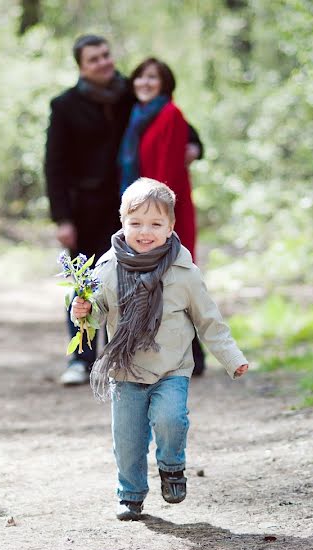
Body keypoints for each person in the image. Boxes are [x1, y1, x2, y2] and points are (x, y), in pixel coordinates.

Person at [70, 177, 248, 521]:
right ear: (122, 223)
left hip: (171, 368)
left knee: (171, 420)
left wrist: (232, 359)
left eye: (155, 223)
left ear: (171, 227)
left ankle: (171, 466)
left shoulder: (184, 272)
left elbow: (209, 320)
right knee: (128, 441)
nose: (144, 231)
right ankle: (131, 494)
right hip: (125, 370)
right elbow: (96, 316)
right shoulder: (107, 270)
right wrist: (84, 312)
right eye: (135, 223)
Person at [45, 36, 203, 386]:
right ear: (81, 66)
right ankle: (81, 359)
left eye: (105, 55)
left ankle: (130, 355)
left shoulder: (128, 94)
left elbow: (174, 118)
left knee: (134, 281)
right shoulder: (65, 105)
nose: (103, 63)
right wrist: (63, 217)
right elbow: (54, 165)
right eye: (93, 59)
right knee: (86, 282)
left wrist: (195, 144)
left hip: (132, 210)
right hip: (86, 208)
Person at [118, 57, 207, 375]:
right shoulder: (138, 115)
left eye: (152, 77)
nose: (144, 83)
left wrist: (154, 218)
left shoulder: (169, 114)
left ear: (165, 83)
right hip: (146, 212)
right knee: (155, 281)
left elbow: (167, 171)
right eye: (140, 77)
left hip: (164, 212)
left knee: (175, 278)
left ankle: (191, 357)